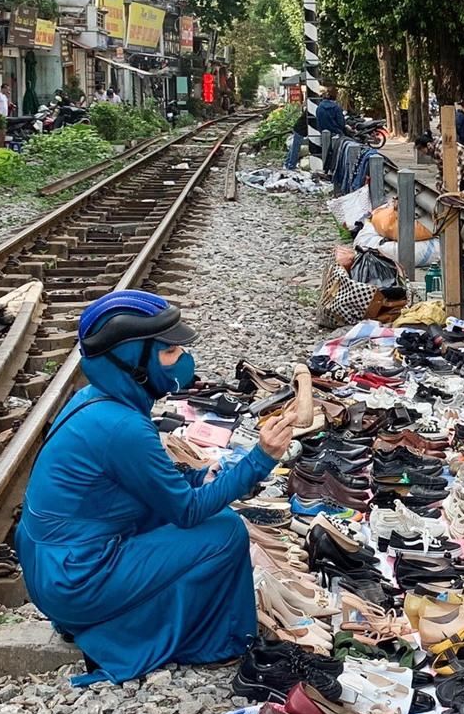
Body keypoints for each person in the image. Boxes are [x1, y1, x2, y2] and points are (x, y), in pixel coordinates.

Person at [18, 290, 298, 682]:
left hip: (53, 570)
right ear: (133, 360)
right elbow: (187, 512)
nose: (183, 361)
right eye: (169, 352)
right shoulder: (122, 427)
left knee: (188, 516)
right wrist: (261, 458)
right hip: (75, 581)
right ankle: (213, 645)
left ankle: (114, 616)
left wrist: (200, 478)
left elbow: (140, 487)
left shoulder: (93, 399)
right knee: (224, 531)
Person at [281, 87, 310, 170]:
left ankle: (287, 163)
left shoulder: (310, 109)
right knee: (295, 149)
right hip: (300, 130)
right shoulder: (312, 110)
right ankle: (291, 166)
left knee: (294, 148)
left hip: (298, 129)